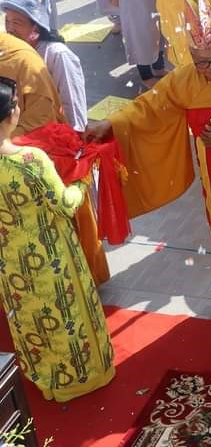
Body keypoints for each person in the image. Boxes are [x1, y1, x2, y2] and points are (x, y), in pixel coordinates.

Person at [84, 0, 211, 320]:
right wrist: (111, 123)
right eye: (202, 62)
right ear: (190, 57)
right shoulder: (184, 80)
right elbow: (150, 107)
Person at [0, 78, 115, 403]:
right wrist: (83, 177)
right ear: (11, 114)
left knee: (30, 316)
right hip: (50, 250)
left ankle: (47, 378)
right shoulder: (29, 161)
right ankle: (83, 377)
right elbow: (64, 203)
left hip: (9, 260)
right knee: (66, 312)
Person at [1, 0, 88, 132]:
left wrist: (73, 141)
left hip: (53, 137)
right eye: (7, 21)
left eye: (17, 22)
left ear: (36, 27)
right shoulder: (9, 52)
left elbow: (74, 109)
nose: (10, 29)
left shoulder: (58, 56)